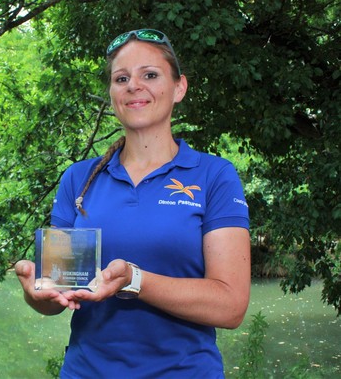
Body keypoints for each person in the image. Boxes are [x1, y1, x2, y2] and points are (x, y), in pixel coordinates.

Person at [15, 29, 250, 378]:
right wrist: (39, 292)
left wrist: (134, 280)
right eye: (121, 78)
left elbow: (231, 306)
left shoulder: (214, 175)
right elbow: (59, 294)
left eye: (150, 75)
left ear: (179, 87)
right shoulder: (78, 179)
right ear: (111, 94)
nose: (133, 86)